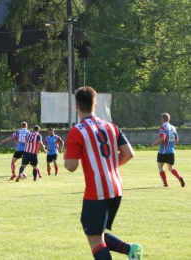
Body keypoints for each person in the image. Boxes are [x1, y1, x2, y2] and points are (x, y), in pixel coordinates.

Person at [64, 86, 142, 260]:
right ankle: (131, 250)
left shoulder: (77, 131)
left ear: (76, 106)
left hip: (96, 191)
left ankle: (130, 250)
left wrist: (66, 153)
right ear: (95, 105)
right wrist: (109, 167)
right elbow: (129, 153)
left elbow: (70, 166)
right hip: (116, 188)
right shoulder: (111, 126)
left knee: (95, 238)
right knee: (96, 232)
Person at [151, 113, 185, 187]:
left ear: (162, 119)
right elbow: (176, 139)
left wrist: (155, 143)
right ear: (168, 119)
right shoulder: (173, 128)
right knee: (171, 168)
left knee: (160, 167)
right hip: (171, 151)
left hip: (163, 151)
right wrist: (170, 144)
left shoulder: (162, 127)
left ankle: (165, 184)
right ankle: (179, 177)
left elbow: (162, 138)